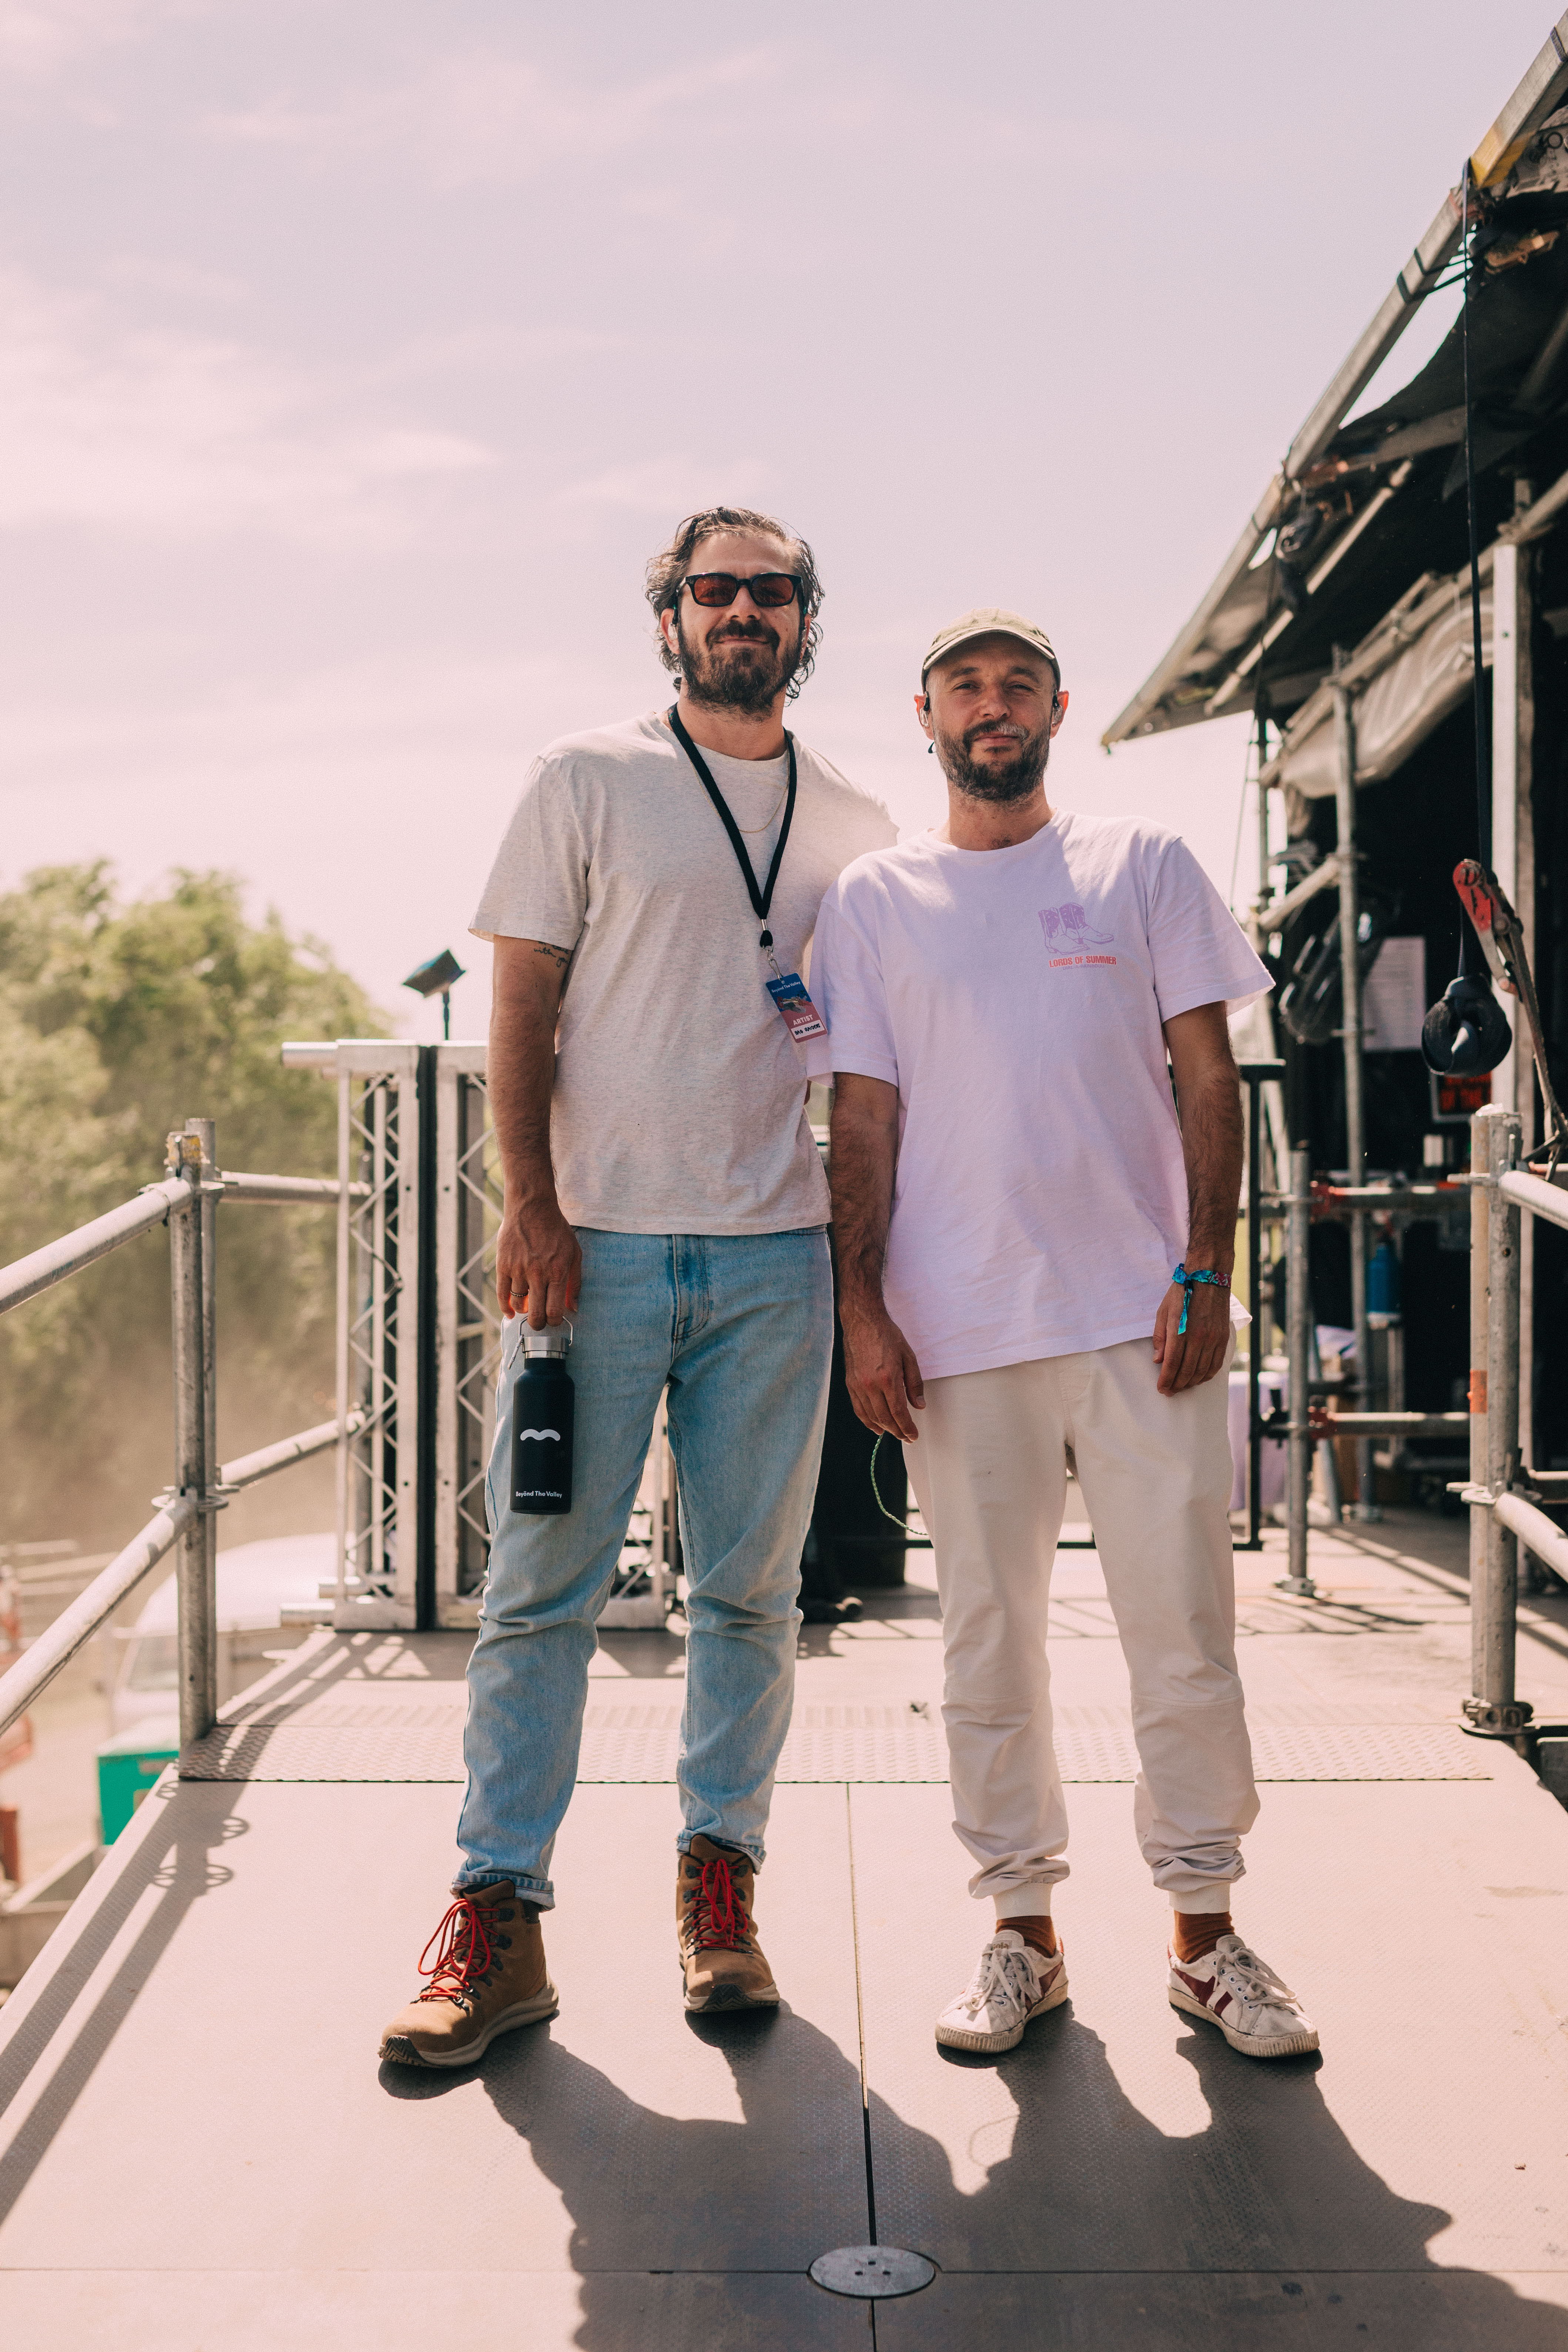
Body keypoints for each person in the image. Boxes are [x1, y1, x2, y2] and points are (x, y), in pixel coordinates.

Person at [379, 508, 894, 2067]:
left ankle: (719, 1894)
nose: (744, 609)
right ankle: (498, 1918)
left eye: (772, 591)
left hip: (773, 1257)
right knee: (539, 1591)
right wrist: (530, 1207)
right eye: (714, 588)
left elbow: (868, 1059)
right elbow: (519, 1002)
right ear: (666, 615)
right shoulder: (583, 778)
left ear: (810, 620)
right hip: (591, 1251)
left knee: (750, 1596)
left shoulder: (857, 818)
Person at [812, 609, 1317, 2061]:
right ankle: (1019, 1933)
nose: (992, 704)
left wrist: (1210, 1267)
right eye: (966, 685)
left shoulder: (1142, 865)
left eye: (1016, 683)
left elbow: (1208, 1075)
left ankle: (1207, 1937)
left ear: (1055, 707)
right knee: (988, 1643)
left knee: (1185, 1634)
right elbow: (864, 1116)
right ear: (925, 713)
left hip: (1141, 1312)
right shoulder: (875, 900)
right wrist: (861, 1307)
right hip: (956, 1326)